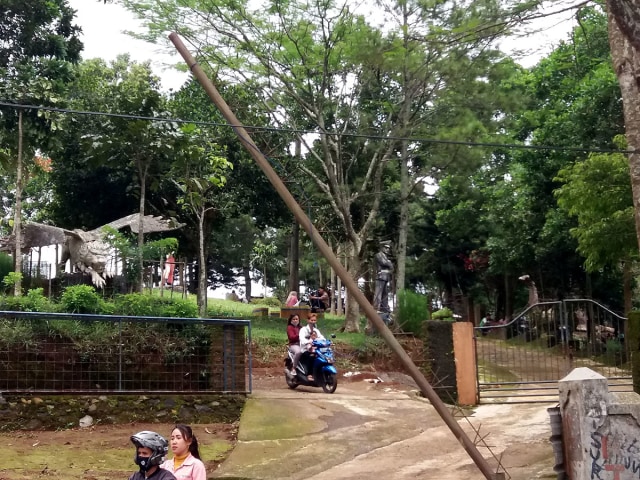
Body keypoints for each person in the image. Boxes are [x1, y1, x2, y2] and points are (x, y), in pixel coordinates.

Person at [298, 313, 325, 380]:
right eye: (311, 320)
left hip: (315, 349)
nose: (313, 322)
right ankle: (309, 374)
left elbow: (321, 337)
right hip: (305, 349)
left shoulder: (316, 330)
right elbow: (302, 339)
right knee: (312, 356)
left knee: (323, 356)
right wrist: (309, 341)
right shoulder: (303, 330)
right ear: (308, 320)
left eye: (314, 320)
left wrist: (326, 341)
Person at [373, 241, 393, 313]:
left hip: (386, 277)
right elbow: (383, 263)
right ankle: (376, 308)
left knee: (385, 294)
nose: (387, 249)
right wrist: (389, 262)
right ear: (382, 248)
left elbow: (391, 266)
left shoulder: (385, 257)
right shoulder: (378, 255)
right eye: (386, 248)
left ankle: (384, 308)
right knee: (378, 293)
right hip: (380, 276)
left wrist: (389, 263)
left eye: (388, 248)